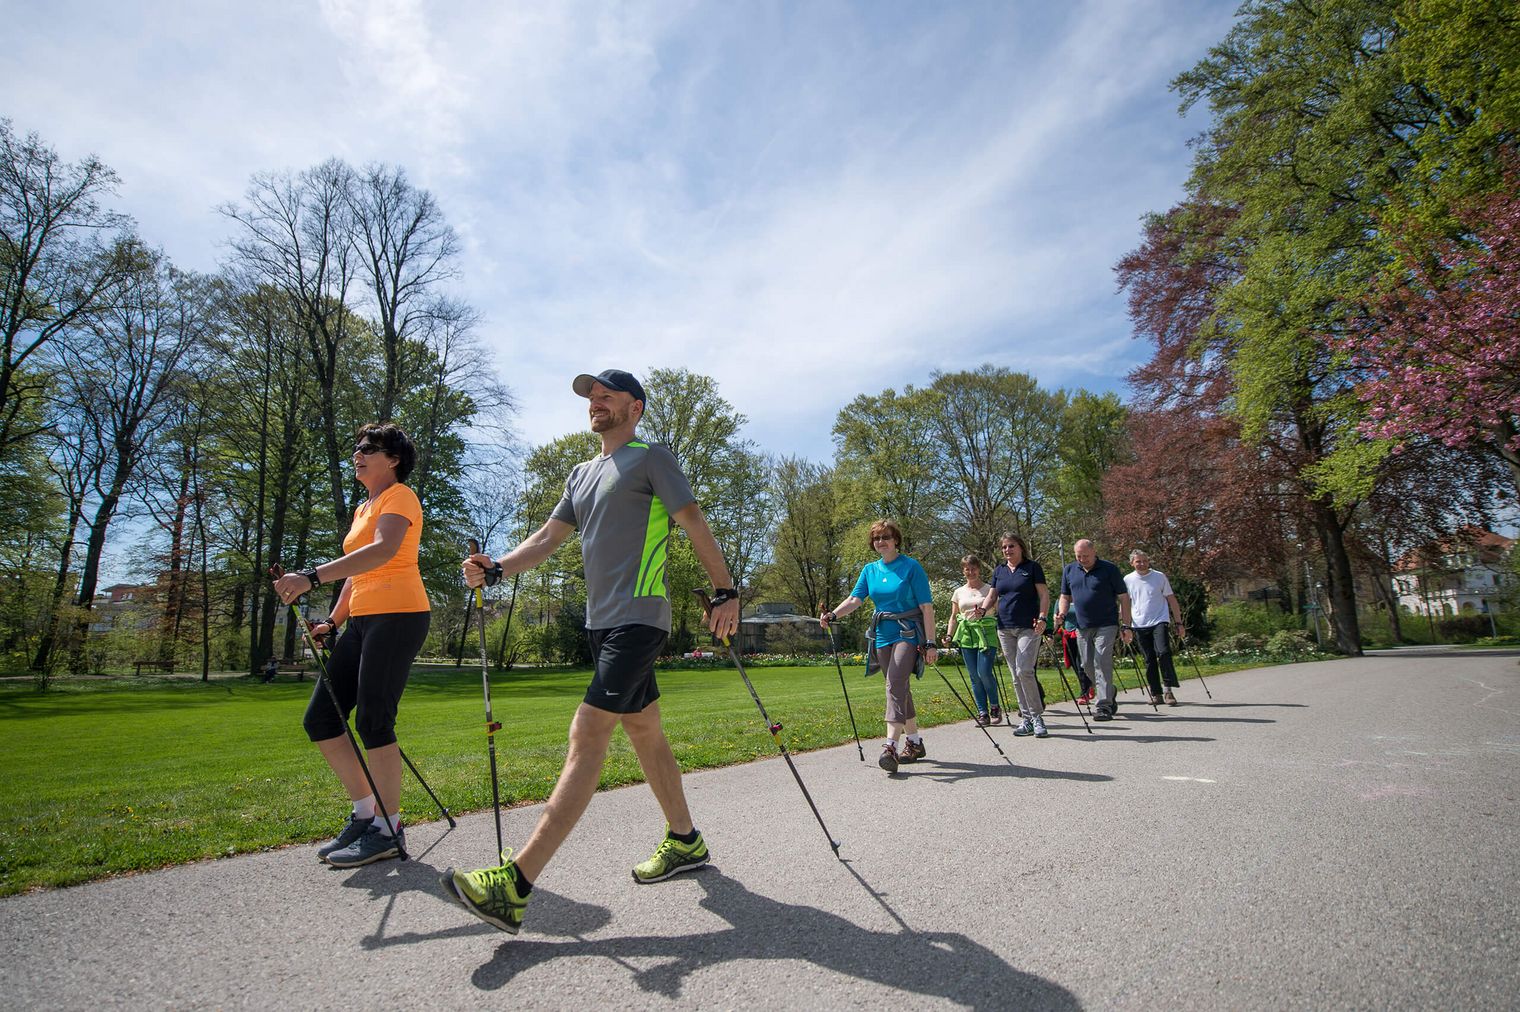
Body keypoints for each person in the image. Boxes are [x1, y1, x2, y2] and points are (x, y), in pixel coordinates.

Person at [443, 369, 740, 936]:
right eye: (590, 397)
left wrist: (725, 591)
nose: (595, 403)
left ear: (636, 407)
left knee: (588, 733)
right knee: (644, 730)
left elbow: (693, 520)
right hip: (602, 621)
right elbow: (547, 540)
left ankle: (515, 884)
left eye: (607, 395)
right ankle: (686, 840)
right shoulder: (581, 474)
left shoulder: (653, 457)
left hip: (640, 615)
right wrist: (498, 566)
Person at [271, 423, 431, 868]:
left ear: (393, 459)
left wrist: (310, 577)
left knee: (375, 721)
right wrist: (332, 621)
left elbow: (382, 553)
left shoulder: (400, 496)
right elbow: (358, 573)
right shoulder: (365, 508)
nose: (358, 454)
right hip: (362, 618)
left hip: (400, 615)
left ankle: (388, 828)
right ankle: (366, 812)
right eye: (356, 448)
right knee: (321, 718)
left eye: (369, 448)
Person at [821, 520, 936, 774]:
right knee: (899, 687)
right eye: (876, 538)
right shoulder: (870, 570)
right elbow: (855, 599)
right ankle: (914, 742)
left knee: (894, 683)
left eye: (885, 537)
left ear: (896, 540)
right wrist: (834, 615)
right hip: (882, 635)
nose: (880, 542)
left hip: (908, 632)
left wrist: (930, 642)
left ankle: (890, 747)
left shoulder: (911, 567)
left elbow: (926, 607)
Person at [980, 533, 1050, 738]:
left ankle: (1037, 717)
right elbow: (992, 595)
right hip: (1005, 627)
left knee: (1024, 670)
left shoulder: (1032, 568)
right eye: (1004, 547)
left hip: (1029, 626)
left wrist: (1043, 617)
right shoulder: (999, 571)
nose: (1007, 550)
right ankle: (1026, 719)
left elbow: (1044, 594)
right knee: (1015, 676)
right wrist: (982, 610)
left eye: (1011, 546)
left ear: (1020, 547)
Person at [1055, 539, 1132, 722]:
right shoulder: (1070, 570)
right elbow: (1065, 596)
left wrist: (1126, 625)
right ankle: (1109, 690)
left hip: (1107, 623)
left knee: (1101, 660)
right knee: (1087, 665)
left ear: (1094, 552)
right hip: (1082, 625)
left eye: (1086, 556)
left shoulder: (1109, 569)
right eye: (1078, 556)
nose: (1082, 559)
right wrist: (1062, 614)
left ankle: (1103, 705)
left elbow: (1123, 597)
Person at [944, 554, 1000, 726]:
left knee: (984, 671)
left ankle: (995, 706)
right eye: (967, 569)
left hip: (986, 632)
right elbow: (954, 616)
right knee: (974, 676)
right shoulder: (958, 592)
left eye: (973, 568)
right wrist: (949, 635)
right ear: (963, 571)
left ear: (979, 569)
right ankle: (982, 712)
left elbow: (998, 611)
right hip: (967, 634)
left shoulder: (990, 589)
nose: (971, 572)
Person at [1124, 550, 1186, 706]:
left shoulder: (1159, 576)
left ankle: (1168, 690)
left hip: (1159, 620)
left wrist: (1179, 623)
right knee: (1149, 660)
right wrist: (1125, 626)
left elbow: (1171, 599)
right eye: (1138, 561)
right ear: (1132, 563)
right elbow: (1125, 604)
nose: (1142, 564)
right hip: (1139, 623)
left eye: (1145, 560)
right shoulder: (1128, 579)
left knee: (1163, 652)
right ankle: (1156, 693)